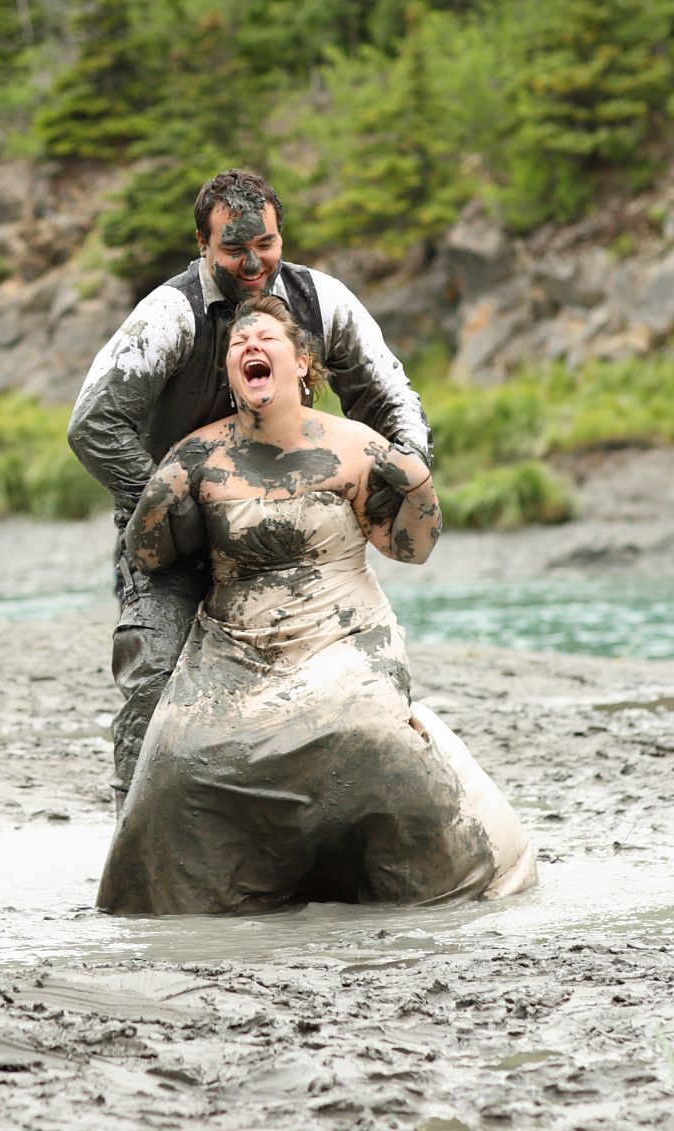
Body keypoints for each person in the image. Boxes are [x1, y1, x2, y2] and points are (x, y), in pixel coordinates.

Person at [96, 295, 537, 916]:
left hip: (343, 634)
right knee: (180, 764)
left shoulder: (357, 446)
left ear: (302, 361)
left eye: (265, 341)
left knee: (360, 736)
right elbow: (148, 554)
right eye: (235, 345)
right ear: (229, 373)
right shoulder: (196, 456)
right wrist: (161, 502)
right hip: (234, 646)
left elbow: (410, 550)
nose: (249, 349)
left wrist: (418, 484)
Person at [68, 169, 433, 811]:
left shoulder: (324, 303)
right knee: (155, 673)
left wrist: (401, 481)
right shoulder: (169, 315)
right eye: (233, 249)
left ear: (279, 234)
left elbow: (388, 395)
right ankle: (135, 828)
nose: (251, 260)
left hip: (293, 529)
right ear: (203, 246)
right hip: (175, 535)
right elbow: (92, 423)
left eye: (263, 243)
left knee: (334, 681)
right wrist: (171, 502)